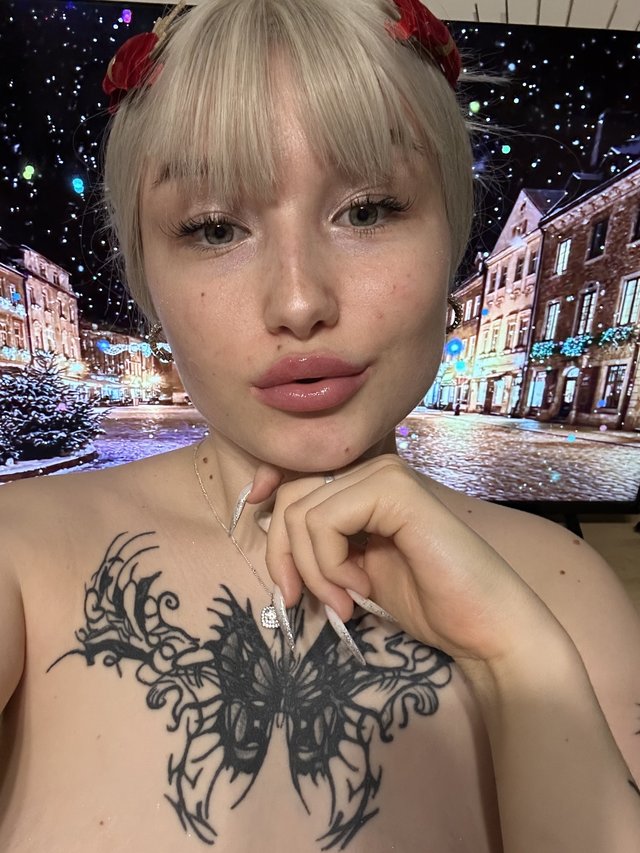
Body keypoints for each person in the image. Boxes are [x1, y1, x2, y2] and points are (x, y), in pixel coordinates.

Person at [1, 1, 639, 851]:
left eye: (369, 211)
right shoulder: (18, 557)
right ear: (148, 278)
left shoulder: (567, 596)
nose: (300, 301)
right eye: (214, 228)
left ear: (453, 242)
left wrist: (517, 661)